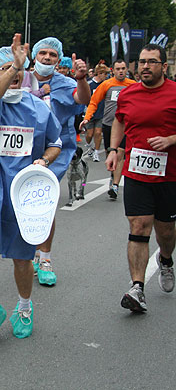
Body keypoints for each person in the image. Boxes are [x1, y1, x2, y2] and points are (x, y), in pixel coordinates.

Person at [0, 35, 62, 341]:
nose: (14, 73)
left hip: (23, 193)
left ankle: (24, 306)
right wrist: (15, 67)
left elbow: (55, 144)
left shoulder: (38, 108)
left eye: (18, 70)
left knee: (23, 259)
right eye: (6, 69)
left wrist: (43, 161)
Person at [105, 44, 176, 313]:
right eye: (141, 62)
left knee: (165, 231)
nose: (145, 66)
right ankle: (137, 287)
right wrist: (114, 150)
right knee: (139, 225)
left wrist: (170, 139)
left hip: (170, 174)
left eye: (151, 62)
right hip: (136, 170)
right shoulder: (128, 94)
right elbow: (119, 122)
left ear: (163, 66)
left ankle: (166, 260)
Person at [22, 36, 90, 286]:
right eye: (43, 54)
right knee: (23, 204)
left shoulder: (66, 82)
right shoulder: (21, 78)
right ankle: (26, 255)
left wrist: (81, 78)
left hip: (56, 151)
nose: (48, 58)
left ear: (58, 58)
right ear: (35, 57)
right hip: (24, 149)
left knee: (44, 203)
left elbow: (82, 99)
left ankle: (45, 258)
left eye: (52, 54)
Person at [79, 60, 135, 200]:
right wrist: (87, 117)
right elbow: (93, 102)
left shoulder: (133, 85)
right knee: (112, 154)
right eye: (118, 69)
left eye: (123, 68)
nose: (121, 71)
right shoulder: (106, 85)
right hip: (109, 125)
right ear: (113, 71)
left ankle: (115, 185)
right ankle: (113, 175)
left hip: (126, 125)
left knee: (120, 153)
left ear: (127, 70)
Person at [81, 63, 110, 162]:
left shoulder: (106, 85)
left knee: (98, 133)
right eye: (104, 74)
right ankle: (90, 146)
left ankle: (96, 153)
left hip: (101, 112)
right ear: (99, 73)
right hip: (90, 113)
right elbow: (85, 98)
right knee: (89, 134)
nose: (106, 76)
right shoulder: (90, 84)